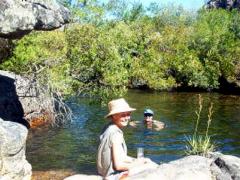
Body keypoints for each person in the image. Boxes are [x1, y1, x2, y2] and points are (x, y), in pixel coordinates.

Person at [97, 98, 157, 180]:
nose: (127, 118)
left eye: (128, 114)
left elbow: (121, 156)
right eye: (123, 115)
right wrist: (139, 164)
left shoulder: (108, 127)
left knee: (147, 161)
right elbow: (118, 166)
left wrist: (137, 160)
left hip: (105, 173)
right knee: (152, 166)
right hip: (113, 176)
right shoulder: (116, 134)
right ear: (114, 116)